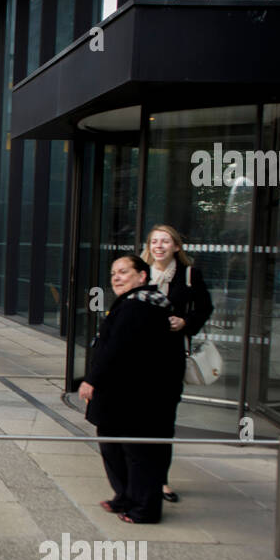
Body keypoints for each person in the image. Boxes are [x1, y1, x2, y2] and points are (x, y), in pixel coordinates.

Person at [77, 254, 183, 524]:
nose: (116, 277)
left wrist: (91, 380)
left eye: (124, 272)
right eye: (114, 272)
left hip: (136, 398)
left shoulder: (139, 306)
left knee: (138, 454)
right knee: (114, 446)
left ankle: (144, 509)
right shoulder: (134, 303)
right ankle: (125, 497)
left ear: (142, 277)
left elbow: (117, 350)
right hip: (123, 396)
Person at [141, 224, 214, 503]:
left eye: (165, 241)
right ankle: (139, 475)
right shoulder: (140, 272)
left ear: (176, 247)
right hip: (139, 355)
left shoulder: (189, 275)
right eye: (154, 241)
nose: (159, 246)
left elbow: (205, 308)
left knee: (163, 421)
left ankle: (161, 480)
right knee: (139, 419)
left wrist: (186, 322)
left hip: (170, 356)